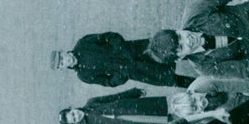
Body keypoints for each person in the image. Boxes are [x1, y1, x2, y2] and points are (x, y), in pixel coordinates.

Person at [51, 32, 193, 89]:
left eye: (62, 57)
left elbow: (110, 36)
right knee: (171, 79)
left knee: (173, 51)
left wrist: (122, 50)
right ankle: (207, 86)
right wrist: (121, 75)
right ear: (62, 68)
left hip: (135, 50)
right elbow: (107, 82)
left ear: (63, 52)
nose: (66, 60)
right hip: (134, 71)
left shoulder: (83, 44)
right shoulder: (83, 75)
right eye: (62, 63)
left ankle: (207, 53)